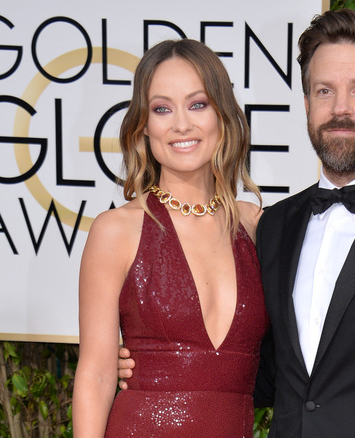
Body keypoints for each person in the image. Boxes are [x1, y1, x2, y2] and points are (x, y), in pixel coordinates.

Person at [120, 9, 355, 437]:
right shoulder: (275, 225)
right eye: (324, 91)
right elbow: (262, 374)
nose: (340, 108)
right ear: (307, 104)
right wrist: (160, 362)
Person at [73, 38, 268, 437]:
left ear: (222, 113)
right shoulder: (117, 230)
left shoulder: (257, 227)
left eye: (198, 104)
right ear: (144, 124)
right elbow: (94, 377)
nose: (181, 124)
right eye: (162, 108)